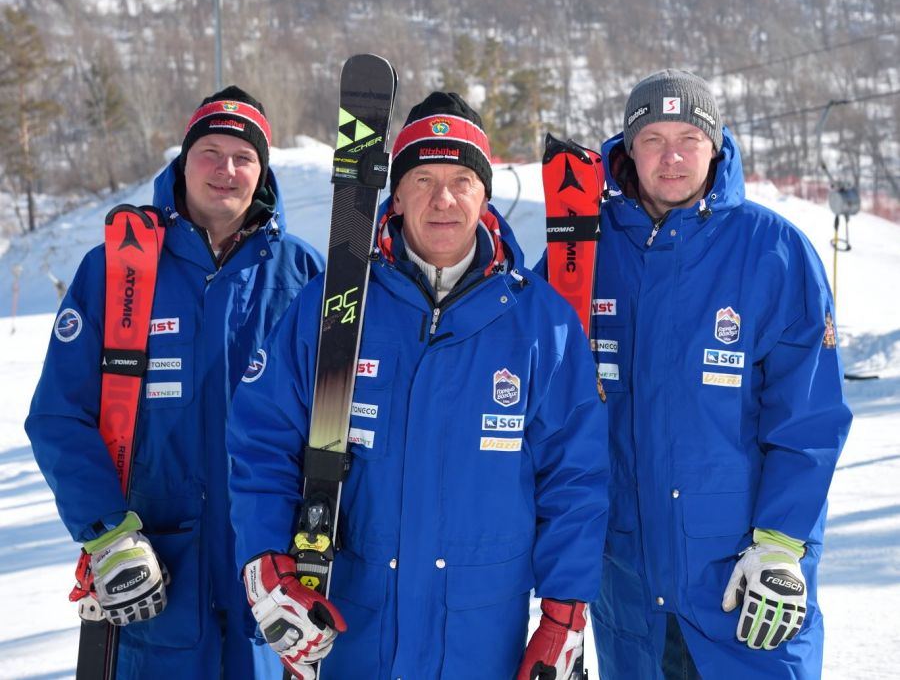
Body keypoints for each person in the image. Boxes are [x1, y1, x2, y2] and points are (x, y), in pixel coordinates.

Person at [226, 91, 609, 680]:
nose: (443, 199)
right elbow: (262, 438)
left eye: (461, 179)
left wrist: (564, 614)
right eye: (423, 178)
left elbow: (575, 478)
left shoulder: (542, 324)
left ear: (485, 196)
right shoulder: (334, 309)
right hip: (348, 628)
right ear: (396, 195)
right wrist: (265, 557)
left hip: (483, 638)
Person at [26, 86, 324, 679]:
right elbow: (59, 415)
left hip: (267, 582)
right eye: (210, 151)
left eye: (244, 157)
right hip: (154, 578)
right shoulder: (117, 269)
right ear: (182, 163)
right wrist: (106, 533)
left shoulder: (304, 275)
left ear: (263, 173)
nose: (226, 169)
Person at [580, 69, 853, 678]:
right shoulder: (583, 253)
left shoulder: (773, 252)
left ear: (715, 144)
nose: (671, 157)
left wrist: (781, 545)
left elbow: (808, 420)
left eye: (689, 139)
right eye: (653, 139)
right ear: (627, 149)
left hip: (743, 579)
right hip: (626, 581)